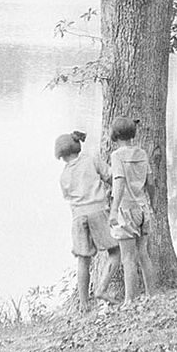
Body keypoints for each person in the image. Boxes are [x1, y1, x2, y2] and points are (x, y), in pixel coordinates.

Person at [55, 130, 119, 313]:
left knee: (83, 260)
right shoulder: (91, 159)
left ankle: (84, 303)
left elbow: (67, 196)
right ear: (78, 147)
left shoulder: (63, 176)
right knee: (115, 251)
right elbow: (110, 176)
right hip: (98, 210)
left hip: (78, 217)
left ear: (62, 156)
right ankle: (102, 288)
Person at [108, 117, 157, 304]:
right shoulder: (142, 153)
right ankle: (152, 295)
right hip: (143, 208)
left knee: (128, 258)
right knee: (143, 253)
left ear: (115, 134)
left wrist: (113, 210)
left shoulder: (117, 156)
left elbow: (119, 182)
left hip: (126, 210)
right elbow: (151, 183)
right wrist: (152, 203)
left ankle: (130, 300)